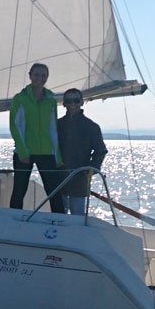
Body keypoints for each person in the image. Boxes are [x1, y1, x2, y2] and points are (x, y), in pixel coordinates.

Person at [8, 62, 66, 213]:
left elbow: (53, 128)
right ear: (30, 76)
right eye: (36, 74)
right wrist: (23, 152)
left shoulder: (51, 99)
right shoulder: (20, 98)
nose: (40, 78)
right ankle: (14, 219)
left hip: (46, 152)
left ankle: (59, 218)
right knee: (19, 189)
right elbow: (15, 126)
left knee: (53, 189)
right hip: (24, 152)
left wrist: (57, 156)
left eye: (43, 75)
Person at [56, 88, 107, 216]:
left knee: (78, 215)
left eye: (76, 100)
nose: (72, 103)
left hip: (80, 177)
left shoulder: (91, 126)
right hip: (57, 175)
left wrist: (92, 169)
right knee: (58, 214)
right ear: (64, 104)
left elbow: (100, 150)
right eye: (69, 101)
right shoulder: (57, 125)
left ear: (82, 102)